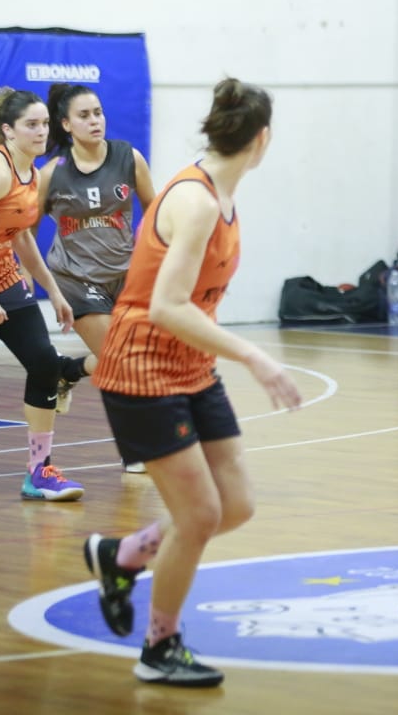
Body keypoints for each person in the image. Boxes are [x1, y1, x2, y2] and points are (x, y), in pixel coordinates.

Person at [81, 79, 301, 688]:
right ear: (263, 139)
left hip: (189, 366)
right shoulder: (197, 200)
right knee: (201, 514)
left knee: (237, 506)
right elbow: (167, 305)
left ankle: (122, 556)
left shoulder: (223, 197)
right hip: (141, 366)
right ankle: (160, 645)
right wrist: (256, 357)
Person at [0, 87, 94, 501]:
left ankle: (39, 471)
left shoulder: (31, 172)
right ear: (8, 131)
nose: (41, 131)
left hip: (2, 278)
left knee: (42, 364)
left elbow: (19, 236)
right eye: (31, 125)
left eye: (44, 124)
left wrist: (52, 291)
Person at [38, 83, 156, 472]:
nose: (95, 121)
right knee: (120, 362)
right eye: (85, 116)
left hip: (125, 276)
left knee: (130, 358)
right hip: (75, 278)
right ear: (66, 124)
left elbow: (155, 214)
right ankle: (134, 450)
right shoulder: (53, 173)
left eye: (99, 113)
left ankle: (68, 370)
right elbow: (22, 230)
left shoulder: (128, 158)